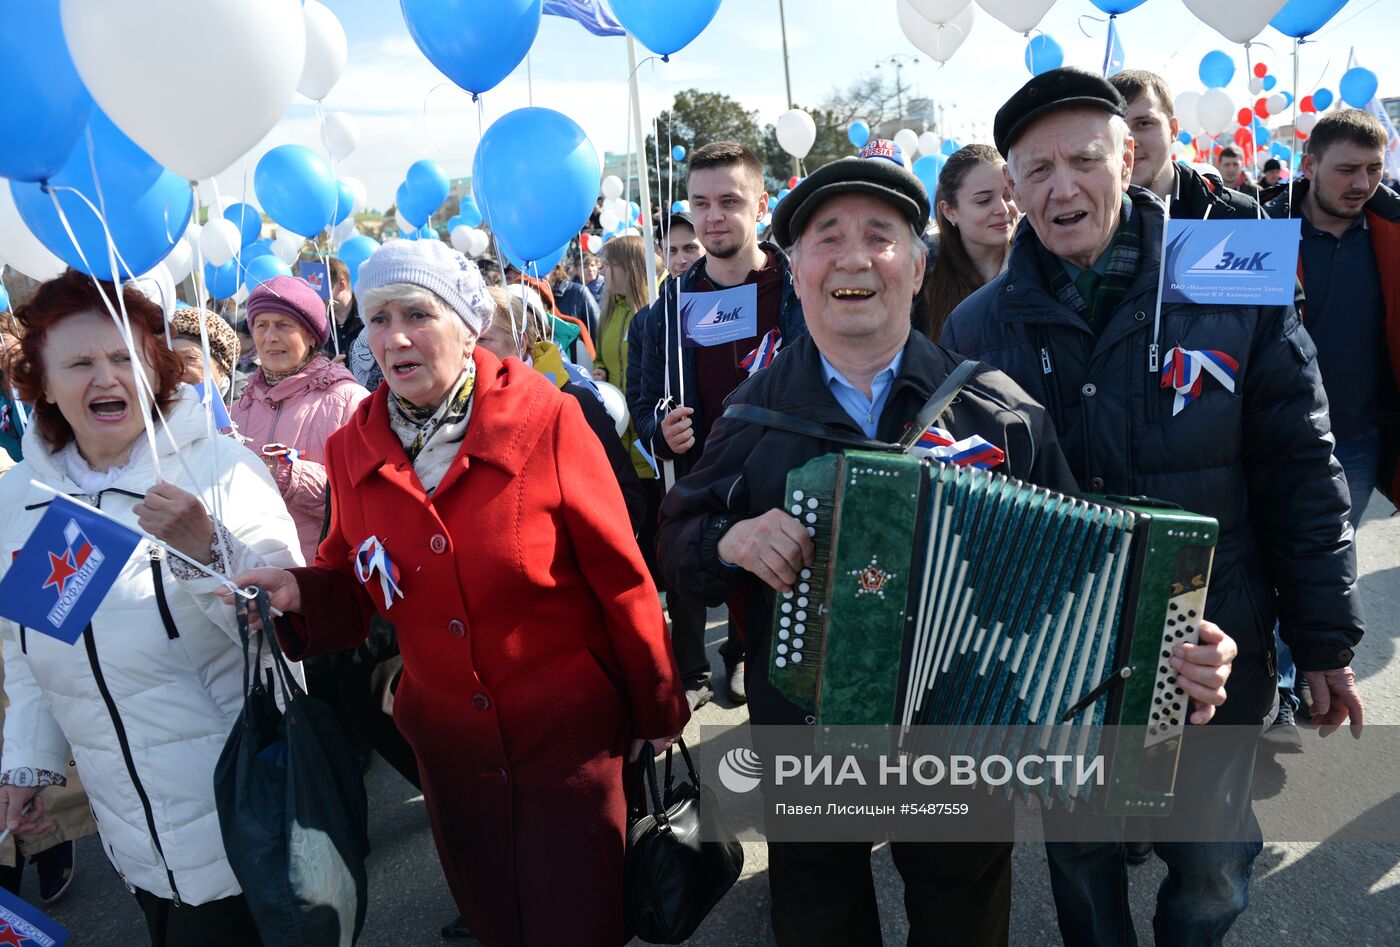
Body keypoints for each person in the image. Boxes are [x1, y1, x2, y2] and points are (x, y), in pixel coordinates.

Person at [658, 145, 1236, 945]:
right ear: (795, 273)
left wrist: (1176, 652)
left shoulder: (997, 412)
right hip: (805, 730)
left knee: (963, 912)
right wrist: (729, 539)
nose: (854, 255)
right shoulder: (754, 417)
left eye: (880, 234)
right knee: (821, 914)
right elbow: (676, 544)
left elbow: (1094, 576)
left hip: (964, 740)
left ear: (920, 265)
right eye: (827, 236)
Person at [941, 67, 1366, 946]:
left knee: (1212, 864)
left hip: (1217, 653)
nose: (1064, 187)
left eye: (1085, 159)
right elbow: (963, 519)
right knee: (1082, 864)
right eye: (1038, 169)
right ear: (1012, 187)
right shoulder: (974, 329)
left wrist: (1325, 641)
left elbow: (1300, 467)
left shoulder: (1232, 277)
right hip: (1057, 669)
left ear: (1129, 156)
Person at [227, 239, 688, 947]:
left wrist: (657, 705)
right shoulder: (355, 446)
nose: (395, 336)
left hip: (565, 740)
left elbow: (619, 573)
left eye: (417, 312)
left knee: (581, 921)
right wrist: (298, 590)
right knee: (498, 919)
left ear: (465, 323)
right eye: (378, 318)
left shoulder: (547, 416)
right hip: (451, 755)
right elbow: (354, 584)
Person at [0, 270, 303, 946]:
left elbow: (290, 630)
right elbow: (32, 649)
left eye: (125, 358)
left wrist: (208, 548)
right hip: (135, 842)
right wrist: (26, 762)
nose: (107, 378)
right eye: (80, 362)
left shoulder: (217, 468)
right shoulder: (21, 502)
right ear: (42, 382)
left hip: (250, 820)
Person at [637, 140, 811, 705]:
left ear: (760, 205)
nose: (713, 217)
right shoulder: (663, 312)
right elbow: (643, 400)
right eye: (701, 203)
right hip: (711, 495)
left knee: (797, 661)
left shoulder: (802, 291)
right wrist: (658, 431)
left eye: (729, 201)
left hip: (792, 494)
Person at [1263, 107, 1399, 734]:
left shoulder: (1392, 232)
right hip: (1274, 434)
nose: (1362, 182)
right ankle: (1268, 681)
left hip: (1361, 438)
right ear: (1309, 165)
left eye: (1373, 169)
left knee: (1322, 562)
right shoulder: (1261, 230)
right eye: (1347, 169)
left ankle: (1285, 688)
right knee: (1265, 560)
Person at [477, 285, 644, 533]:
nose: (470, 350)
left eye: (483, 339)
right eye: (466, 338)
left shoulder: (572, 398)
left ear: (521, 341)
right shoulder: (461, 408)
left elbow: (628, 499)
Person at [231, 276, 368, 564]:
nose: (270, 337)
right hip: (250, 575)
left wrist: (287, 475)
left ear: (310, 335)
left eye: (283, 325)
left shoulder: (349, 401)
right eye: (261, 325)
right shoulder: (239, 407)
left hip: (317, 577)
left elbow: (364, 500)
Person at [1110, 69, 1262, 219]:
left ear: (1173, 129)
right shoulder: (1090, 223)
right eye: (1116, 128)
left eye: (1143, 124)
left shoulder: (1242, 216)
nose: (1130, 142)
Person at [915, 143, 1019, 339]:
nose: (1003, 209)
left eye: (1008, 195)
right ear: (949, 211)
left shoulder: (1040, 263)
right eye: (984, 201)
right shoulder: (922, 278)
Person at [169, 306, 242, 405]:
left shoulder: (244, 407)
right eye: (171, 358)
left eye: (191, 358)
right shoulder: (162, 411)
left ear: (221, 365)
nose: (179, 369)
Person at [324, 256, 363, 361]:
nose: (315, 295)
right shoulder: (319, 324)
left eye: (322, 286)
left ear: (341, 285)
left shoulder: (369, 317)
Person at [660, 211, 706, 279]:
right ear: (663, 257)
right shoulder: (660, 288)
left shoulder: (723, 286)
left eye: (691, 248)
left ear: (707, 250)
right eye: (671, 250)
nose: (680, 261)